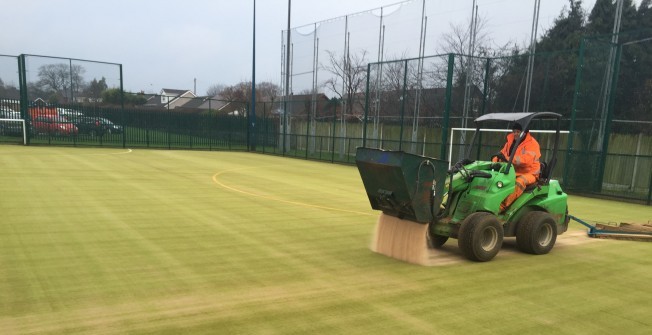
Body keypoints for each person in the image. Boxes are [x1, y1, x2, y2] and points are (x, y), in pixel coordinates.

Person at [492, 122, 541, 213]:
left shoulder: (532, 144)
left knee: (519, 182)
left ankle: (501, 207)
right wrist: (495, 161)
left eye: (518, 132)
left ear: (525, 132)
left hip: (530, 173)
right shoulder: (510, 142)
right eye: (514, 131)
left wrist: (509, 159)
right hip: (513, 171)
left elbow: (526, 160)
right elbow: (502, 154)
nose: (515, 133)